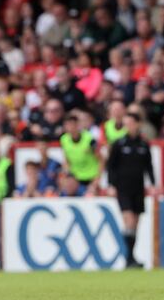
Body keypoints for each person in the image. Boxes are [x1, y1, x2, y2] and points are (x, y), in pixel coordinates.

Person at [106, 112, 156, 268]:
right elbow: (111, 166)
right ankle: (129, 258)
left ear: (137, 124)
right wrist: (111, 185)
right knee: (129, 220)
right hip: (123, 188)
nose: (128, 126)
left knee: (136, 223)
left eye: (130, 123)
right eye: (126, 123)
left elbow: (149, 166)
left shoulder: (143, 144)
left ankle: (131, 257)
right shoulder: (119, 144)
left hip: (138, 188)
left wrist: (153, 184)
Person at [60, 113, 103, 195]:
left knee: (90, 195)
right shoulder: (64, 140)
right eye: (68, 125)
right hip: (76, 177)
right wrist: (67, 175)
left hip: (91, 177)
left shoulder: (89, 139)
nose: (70, 128)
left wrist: (96, 180)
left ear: (77, 125)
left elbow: (101, 160)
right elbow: (66, 159)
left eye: (73, 125)